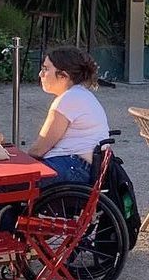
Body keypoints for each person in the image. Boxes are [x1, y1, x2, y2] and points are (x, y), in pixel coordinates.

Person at [28, 46, 109, 184]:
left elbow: (39, 149)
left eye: (46, 69)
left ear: (63, 75)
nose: (40, 74)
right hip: (84, 166)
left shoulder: (68, 99)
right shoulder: (80, 94)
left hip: (72, 166)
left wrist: (17, 162)